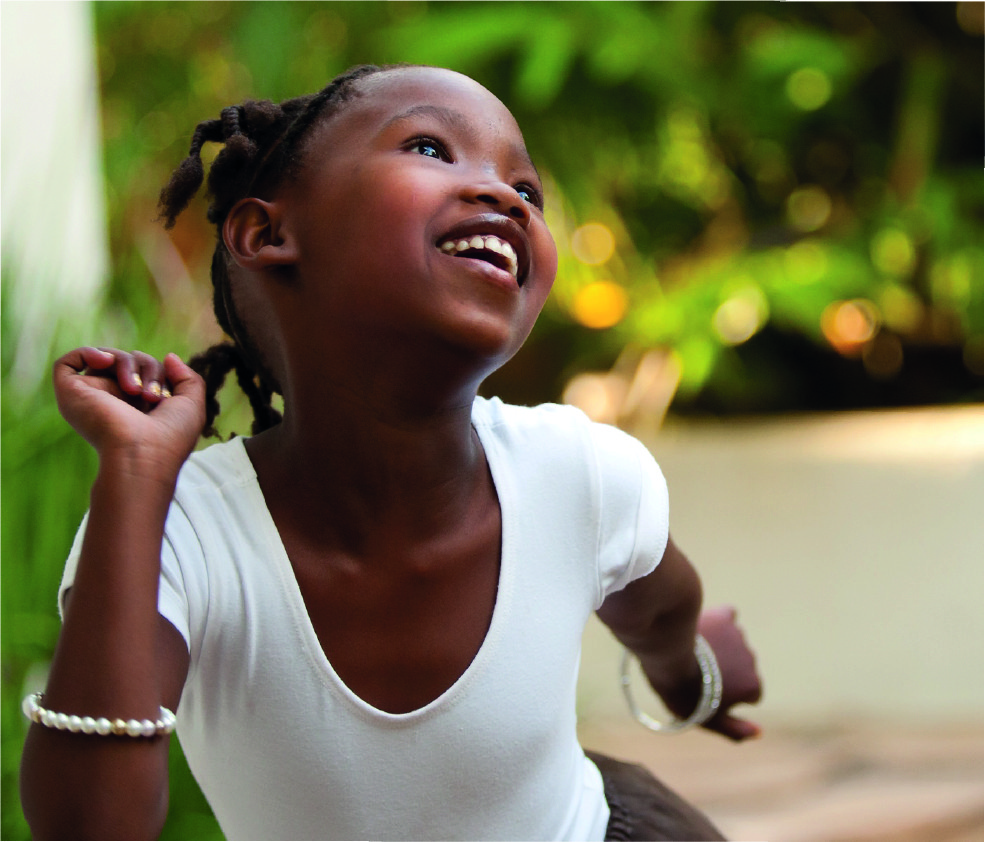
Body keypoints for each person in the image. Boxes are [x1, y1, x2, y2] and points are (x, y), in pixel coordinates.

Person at [20, 64, 762, 841]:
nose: (504, 195)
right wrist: (137, 475)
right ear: (268, 233)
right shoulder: (188, 532)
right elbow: (89, 829)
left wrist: (694, 679)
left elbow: (664, 615)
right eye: (431, 148)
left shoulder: (577, 473)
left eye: (527, 191)